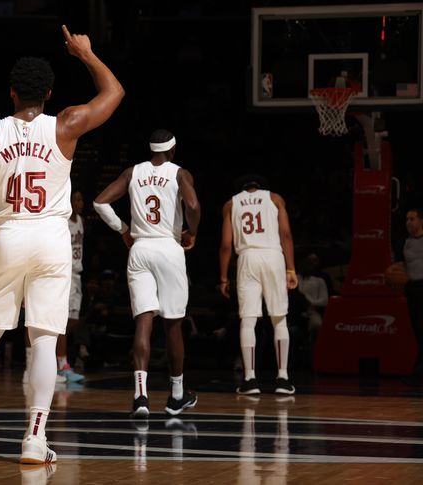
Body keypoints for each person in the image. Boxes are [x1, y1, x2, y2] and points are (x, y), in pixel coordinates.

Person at [0, 24, 124, 464]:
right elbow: (115, 92)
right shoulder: (66, 123)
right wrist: (86, 54)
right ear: (49, 92)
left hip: (8, 236)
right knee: (43, 340)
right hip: (51, 238)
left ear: (11, 93)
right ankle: (34, 439)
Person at [93, 129, 200, 417]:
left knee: (143, 320)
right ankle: (176, 395)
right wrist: (193, 233)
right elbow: (192, 205)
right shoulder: (179, 173)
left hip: (139, 249)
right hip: (168, 247)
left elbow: (99, 202)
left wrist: (124, 230)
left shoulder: (133, 172)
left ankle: (140, 396)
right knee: (173, 324)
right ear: (173, 150)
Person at [218, 174, 298, 396]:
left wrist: (224, 278)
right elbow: (286, 234)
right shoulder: (274, 198)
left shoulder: (230, 203)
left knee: (248, 320)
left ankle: (250, 380)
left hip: (247, 257)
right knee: (279, 318)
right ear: (261, 187)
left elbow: (226, 245)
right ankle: (283, 378)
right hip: (273, 255)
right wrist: (291, 268)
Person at [55, 190, 86, 383]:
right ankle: (62, 364)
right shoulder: (62, 220)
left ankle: (59, 358)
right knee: (63, 322)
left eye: (81, 199)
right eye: (77, 199)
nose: (80, 202)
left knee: (72, 321)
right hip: (65, 273)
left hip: (77, 273)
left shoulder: (81, 220)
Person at [392, 208, 423, 370]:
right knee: (417, 329)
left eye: (412, 219)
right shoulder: (403, 242)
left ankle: (418, 368)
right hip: (412, 289)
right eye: (407, 219)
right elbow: (398, 267)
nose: (409, 222)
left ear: (421, 221)